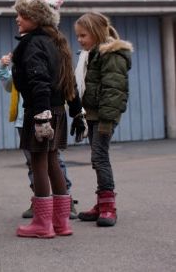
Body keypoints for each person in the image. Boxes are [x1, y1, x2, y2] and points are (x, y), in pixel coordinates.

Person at [11, 0, 86, 238]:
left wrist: (41, 115)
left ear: (37, 17)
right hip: (58, 111)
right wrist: (77, 113)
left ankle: (42, 224)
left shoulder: (32, 44)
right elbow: (70, 84)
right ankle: (62, 222)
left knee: (38, 163)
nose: (17, 18)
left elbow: (38, 80)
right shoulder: (57, 42)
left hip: (41, 111)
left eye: (23, 14)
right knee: (53, 161)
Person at [0, 53, 78, 219]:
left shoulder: (47, 67)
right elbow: (8, 84)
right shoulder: (21, 71)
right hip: (23, 121)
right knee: (33, 163)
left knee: (54, 161)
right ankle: (40, 200)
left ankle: (65, 199)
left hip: (44, 117)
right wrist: (2, 66)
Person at [74, 12, 132, 227]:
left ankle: (108, 206)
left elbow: (113, 90)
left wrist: (107, 121)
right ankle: (101, 202)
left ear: (96, 33)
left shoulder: (111, 55)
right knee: (97, 158)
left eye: (83, 35)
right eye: (78, 36)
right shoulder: (92, 54)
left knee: (100, 158)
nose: (79, 40)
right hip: (92, 114)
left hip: (103, 116)